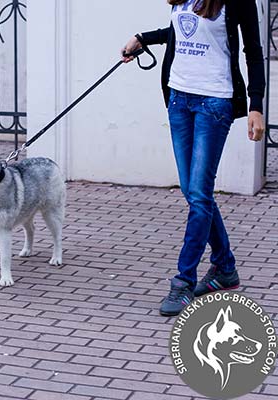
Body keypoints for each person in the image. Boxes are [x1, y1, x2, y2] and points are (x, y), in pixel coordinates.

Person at [122, 0, 266, 316]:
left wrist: (256, 105)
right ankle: (225, 268)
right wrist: (143, 38)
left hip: (215, 102)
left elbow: (253, 53)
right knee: (193, 192)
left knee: (199, 196)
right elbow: (180, 32)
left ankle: (183, 281)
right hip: (178, 98)